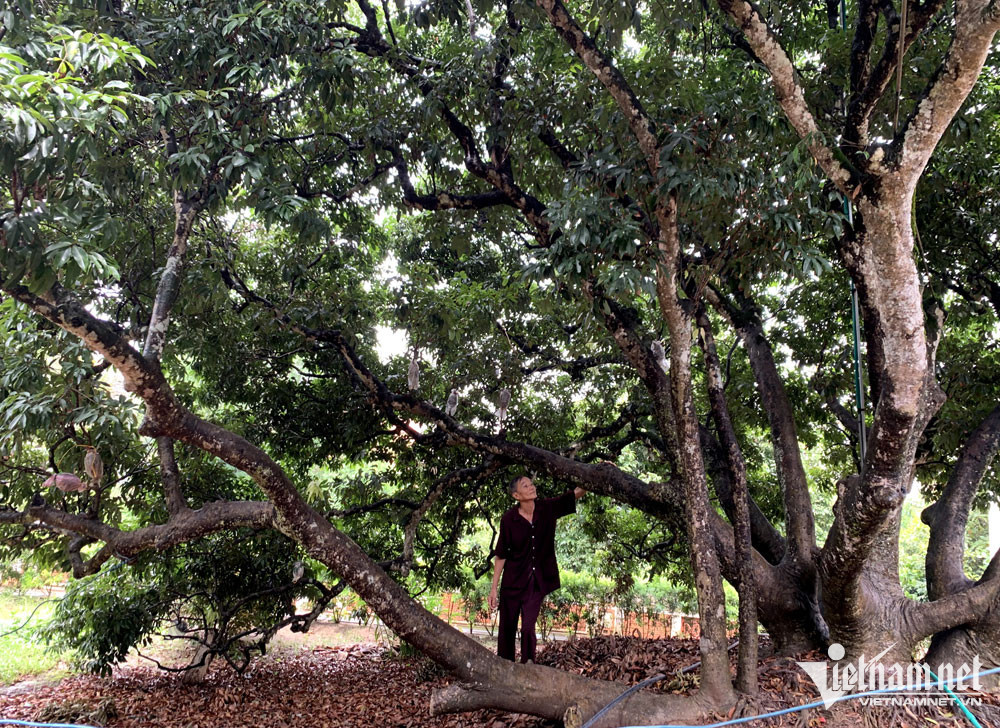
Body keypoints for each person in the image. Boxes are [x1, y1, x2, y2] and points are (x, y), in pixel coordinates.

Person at [488, 474, 586, 663]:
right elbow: (501, 554)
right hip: (512, 583)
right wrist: (494, 588)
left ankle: (528, 666)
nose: (532, 487)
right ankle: (505, 669)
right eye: (525, 486)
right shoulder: (509, 519)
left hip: (537, 582)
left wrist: (597, 474)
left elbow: (575, 494)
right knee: (507, 629)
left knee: (527, 628)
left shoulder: (547, 508)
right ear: (516, 495)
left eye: (532, 484)